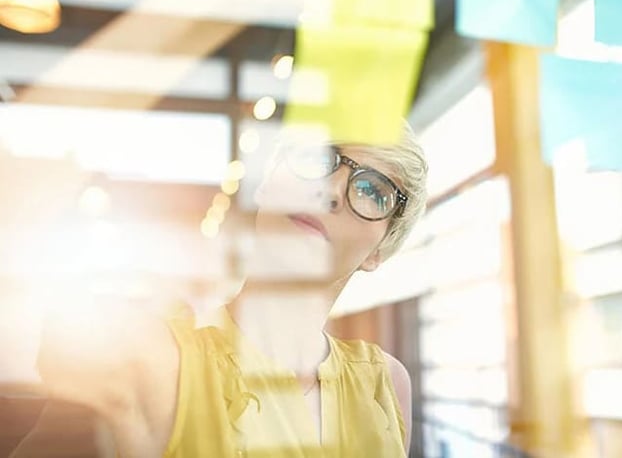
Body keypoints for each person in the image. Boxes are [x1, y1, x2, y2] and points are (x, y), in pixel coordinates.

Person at [11, 122, 428, 458]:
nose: (332, 190)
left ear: (380, 252)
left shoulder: (385, 384)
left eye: (374, 192)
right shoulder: (155, 359)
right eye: (316, 159)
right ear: (267, 184)